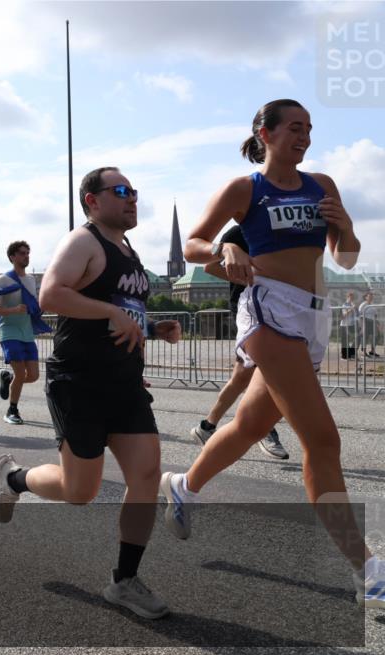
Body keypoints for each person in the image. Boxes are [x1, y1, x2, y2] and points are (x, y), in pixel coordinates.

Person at [159, 99, 384, 608]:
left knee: (251, 425)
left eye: (310, 129)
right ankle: (368, 571)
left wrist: (345, 226)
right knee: (323, 442)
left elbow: (345, 258)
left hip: (313, 315)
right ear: (265, 132)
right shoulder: (246, 189)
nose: (304, 137)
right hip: (269, 310)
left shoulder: (322, 185)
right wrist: (226, 250)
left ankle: (184, 487)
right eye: (295, 128)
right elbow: (194, 242)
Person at [0, 167, 182, 619]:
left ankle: (124, 581)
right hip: (80, 383)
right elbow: (53, 296)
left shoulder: (128, 251)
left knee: (147, 475)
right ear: (92, 201)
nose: (132, 198)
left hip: (125, 384)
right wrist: (113, 313)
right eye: (120, 191)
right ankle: (13, 479)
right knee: (81, 491)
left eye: (134, 190)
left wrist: (152, 328)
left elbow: (118, 314)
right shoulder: (83, 241)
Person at [190, 224, 287, 460]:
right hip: (248, 308)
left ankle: (207, 426)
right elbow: (210, 267)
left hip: (276, 308)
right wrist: (249, 280)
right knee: (267, 371)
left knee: (242, 376)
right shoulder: (238, 234)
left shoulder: (281, 229)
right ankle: (264, 428)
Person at [0, 240, 49, 425]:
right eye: (22, 253)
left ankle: (7, 378)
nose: (26, 256)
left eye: (27, 253)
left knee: (33, 376)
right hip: (9, 330)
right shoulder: (4, 279)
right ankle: (12, 410)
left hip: (26, 331)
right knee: (22, 374)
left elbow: (32, 304)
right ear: (12, 257)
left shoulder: (31, 280)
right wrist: (12, 310)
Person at [359, 292, 380, 358]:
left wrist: (377, 323)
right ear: (366, 297)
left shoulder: (372, 304)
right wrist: (362, 325)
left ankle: (372, 351)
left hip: (373, 321)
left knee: (376, 336)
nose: (371, 297)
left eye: (372, 296)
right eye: (369, 296)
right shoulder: (363, 304)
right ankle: (364, 352)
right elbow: (360, 314)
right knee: (365, 336)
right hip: (365, 321)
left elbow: (375, 314)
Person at [339, 291, 358, 362]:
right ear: (347, 297)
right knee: (344, 341)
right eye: (350, 296)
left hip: (352, 325)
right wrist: (351, 309)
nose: (352, 298)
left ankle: (351, 353)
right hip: (344, 325)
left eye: (353, 297)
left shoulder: (353, 304)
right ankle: (344, 356)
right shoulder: (344, 304)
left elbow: (356, 315)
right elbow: (344, 315)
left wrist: (354, 308)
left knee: (357, 337)